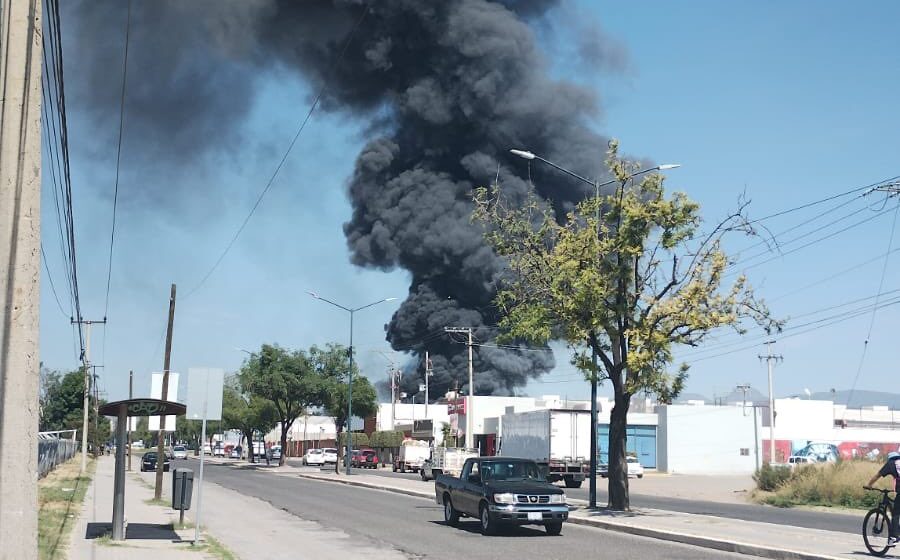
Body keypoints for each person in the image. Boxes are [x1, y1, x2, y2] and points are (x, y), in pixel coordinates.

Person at [867, 451, 900, 545]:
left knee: (896, 514)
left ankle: (893, 538)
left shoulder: (891, 464)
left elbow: (878, 475)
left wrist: (869, 485)